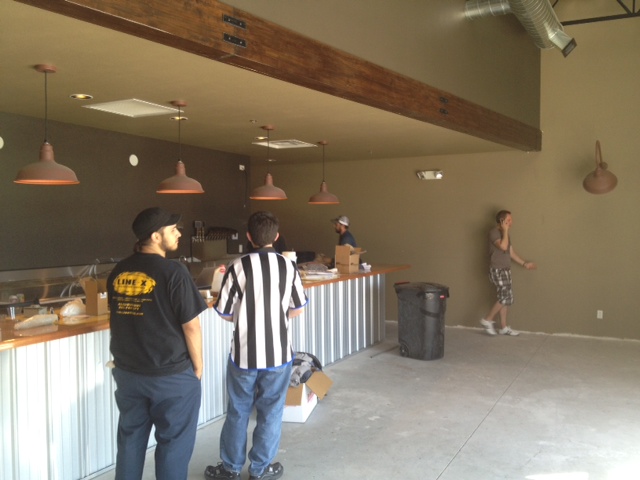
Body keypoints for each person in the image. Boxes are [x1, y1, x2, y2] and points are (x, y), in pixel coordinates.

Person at [107, 207, 208, 480]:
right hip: (170, 375)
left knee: (130, 441)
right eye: (172, 230)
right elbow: (191, 325)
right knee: (173, 446)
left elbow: (116, 317)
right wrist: (198, 368)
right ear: (155, 236)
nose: (179, 234)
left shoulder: (119, 271)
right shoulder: (174, 272)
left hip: (128, 374)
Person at [205, 211, 308, 480]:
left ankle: (230, 468)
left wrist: (244, 317)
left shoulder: (237, 266)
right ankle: (260, 470)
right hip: (279, 355)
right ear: (276, 236)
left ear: (249, 237)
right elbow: (298, 308)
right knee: (271, 412)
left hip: (244, 355)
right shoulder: (288, 266)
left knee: (238, 411)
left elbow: (224, 312)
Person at [480, 210, 537, 337]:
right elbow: (503, 247)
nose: (511, 222)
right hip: (498, 270)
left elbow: (511, 252)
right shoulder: (494, 232)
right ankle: (487, 320)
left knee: (505, 298)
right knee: (505, 297)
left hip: (505, 270)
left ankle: (504, 327)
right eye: (508, 220)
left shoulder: (505, 235)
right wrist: (505, 231)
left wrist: (524, 264)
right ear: (502, 221)